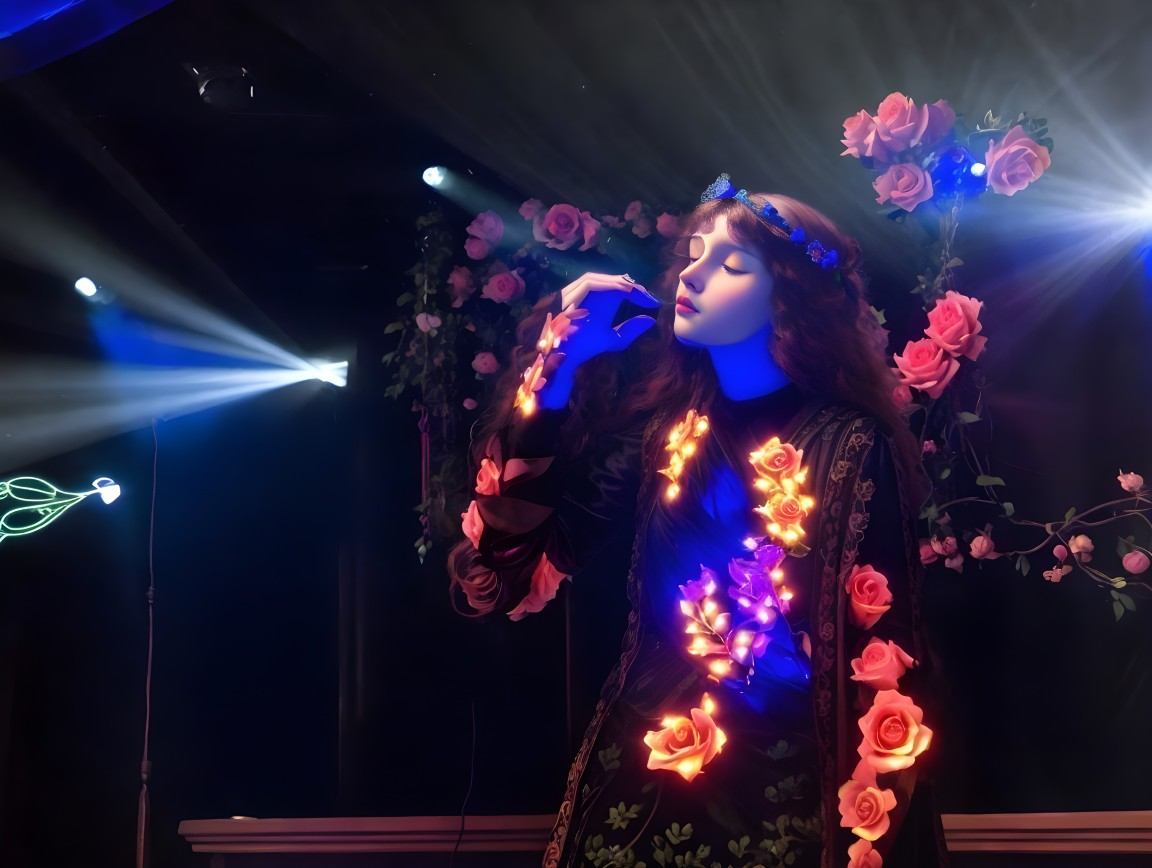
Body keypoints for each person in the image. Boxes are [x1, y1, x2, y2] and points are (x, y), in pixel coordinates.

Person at [449, 175, 949, 868]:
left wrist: (873, 824)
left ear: (790, 302)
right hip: (644, 786)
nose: (695, 272)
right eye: (694, 252)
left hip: (791, 794)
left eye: (731, 264)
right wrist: (554, 366)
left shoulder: (851, 446)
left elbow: (887, 661)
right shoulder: (661, 439)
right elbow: (505, 567)